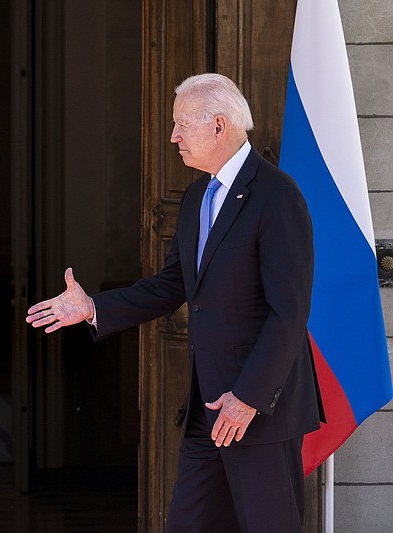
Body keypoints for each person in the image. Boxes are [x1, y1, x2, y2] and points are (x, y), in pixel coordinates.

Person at [26, 73, 324, 533]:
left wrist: (247, 398)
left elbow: (289, 314)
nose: (173, 136)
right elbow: (171, 286)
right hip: (207, 411)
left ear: (220, 126)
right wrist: (92, 309)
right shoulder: (195, 197)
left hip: (258, 410)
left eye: (183, 124)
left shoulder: (277, 197)